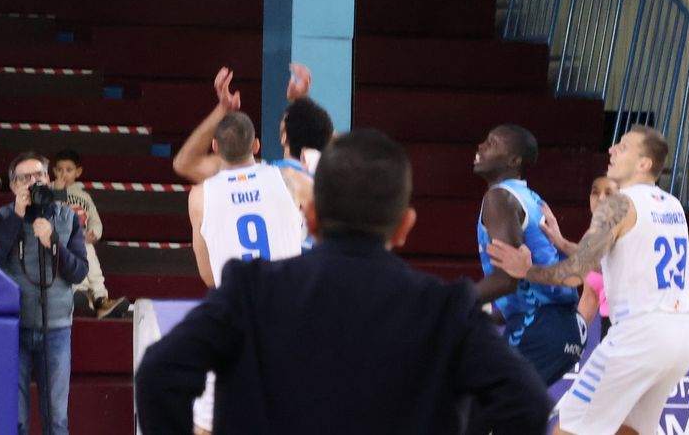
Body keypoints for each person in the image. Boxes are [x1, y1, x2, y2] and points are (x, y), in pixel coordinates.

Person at [136, 128, 552, 434]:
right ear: (404, 227)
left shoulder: (249, 290)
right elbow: (528, 404)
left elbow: (158, 372)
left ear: (310, 218)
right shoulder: (445, 308)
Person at [488, 125, 689, 435]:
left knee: (568, 427)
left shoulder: (617, 203)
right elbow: (608, 257)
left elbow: (574, 275)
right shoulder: (671, 204)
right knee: (630, 431)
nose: (611, 150)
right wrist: (562, 242)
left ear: (644, 164)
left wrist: (525, 271)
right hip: (679, 336)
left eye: (622, 147)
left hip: (638, 336)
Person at [187, 112, 305, 435]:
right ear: (256, 145)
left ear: (214, 147)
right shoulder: (289, 181)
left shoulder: (200, 196)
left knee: (207, 426)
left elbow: (209, 277)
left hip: (233, 320)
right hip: (286, 319)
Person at [0, 152, 87, 435]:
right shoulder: (2, 217)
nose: (33, 182)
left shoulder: (66, 216)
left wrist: (53, 242)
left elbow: (79, 272)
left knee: (56, 419)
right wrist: (17, 215)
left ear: (48, 178)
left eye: (38, 176)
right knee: (15, 419)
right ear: (13, 185)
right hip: (13, 328)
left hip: (56, 328)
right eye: (24, 178)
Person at [472, 124, 584, 383]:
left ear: (514, 160)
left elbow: (507, 279)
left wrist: (448, 302)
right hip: (562, 327)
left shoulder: (499, 198)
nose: (481, 146)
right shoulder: (530, 196)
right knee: (502, 413)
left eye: (492, 143)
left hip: (540, 325)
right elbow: (517, 292)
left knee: (481, 412)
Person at [173, 65, 328, 221]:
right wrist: (300, 103)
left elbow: (185, 163)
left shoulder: (267, 177)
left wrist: (223, 108)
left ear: (284, 138)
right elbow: (322, 130)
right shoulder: (330, 179)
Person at [50, 150, 128, 320]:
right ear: (54, 171)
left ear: (78, 172)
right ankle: (81, 294)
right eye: (60, 170)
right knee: (77, 255)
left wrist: (94, 232)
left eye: (69, 170)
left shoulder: (84, 196)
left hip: (81, 238)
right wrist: (58, 191)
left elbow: (94, 219)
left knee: (89, 254)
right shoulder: (49, 190)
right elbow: (53, 214)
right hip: (60, 240)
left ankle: (101, 299)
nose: (64, 174)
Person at [540, 174, 619, 338]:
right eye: (595, 193)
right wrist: (572, 336)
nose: (601, 198)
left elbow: (605, 265)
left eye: (609, 193)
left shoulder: (630, 235)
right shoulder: (589, 237)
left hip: (633, 326)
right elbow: (591, 295)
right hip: (609, 327)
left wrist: (562, 243)